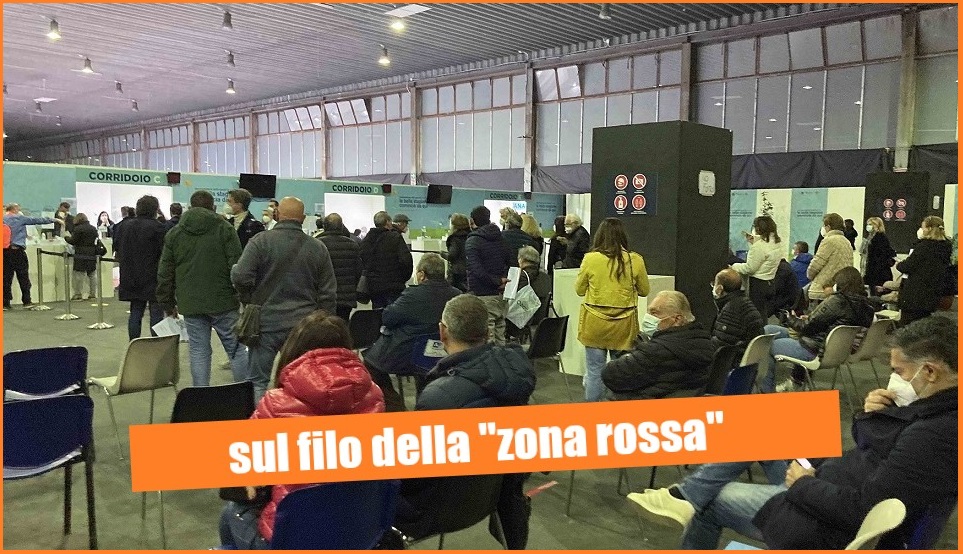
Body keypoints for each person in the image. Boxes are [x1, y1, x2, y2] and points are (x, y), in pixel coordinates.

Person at [628, 315, 958, 550]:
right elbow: (873, 450)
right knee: (766, 427)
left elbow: (864, 508)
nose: (895, 379)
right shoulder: (936, 407)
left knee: (713, 500)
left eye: (900, 372)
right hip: (828, 481)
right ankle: (685, 496)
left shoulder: (934, 435)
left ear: (929, 372)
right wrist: (875, 414)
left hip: (823, 516)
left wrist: (804, 484)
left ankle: (688, 499)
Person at [218, 311, 384, 550]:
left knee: (231, 512)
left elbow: (243, 463)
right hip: (358, 529)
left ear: (294, 348)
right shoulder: (375, 395)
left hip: (293, 538)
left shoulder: (276, 403)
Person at [395, 294, 535, 550]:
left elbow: (414, 475)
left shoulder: (438, 398)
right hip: (492, 498)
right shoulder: (516, 376)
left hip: (437, 509)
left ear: (442, 332)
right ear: (487, 331)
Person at [232, 197, 337, 402]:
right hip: (303, 327)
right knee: (301, 379)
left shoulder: (260, 241)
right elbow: (328, 293)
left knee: (258, 381)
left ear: (277, 214)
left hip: (265, 323)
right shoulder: (318, 247)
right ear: (303, 218)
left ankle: (261, 419)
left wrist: (249, 299)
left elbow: (241, 276)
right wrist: (322, 326)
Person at [157, 190, 248, 387]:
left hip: (190, 303)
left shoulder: (175, 233)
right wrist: (243, 296)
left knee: (199, 350)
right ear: (213, 207)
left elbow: (165, 271)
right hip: (224, 301)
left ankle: (201, 394)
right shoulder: (225, 229)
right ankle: (244, 393)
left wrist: (167, 302)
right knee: (236, 348)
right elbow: (237, 266)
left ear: (190, 207)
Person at [363, 254, 461, 412]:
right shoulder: (457, 295)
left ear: (421, 275)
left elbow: (388, 317)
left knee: (371, 364)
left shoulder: (412, 295)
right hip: (445, 353)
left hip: (408, 354)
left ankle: (397, 408)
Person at [575, 218, 651, 401]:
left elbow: (579, 290)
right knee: (621, 372)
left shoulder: (590, 259)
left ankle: (593, 413)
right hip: (623, 327)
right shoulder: (635, 260)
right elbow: (644, 291)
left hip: (594, 324)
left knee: (594, 372)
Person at [764, 266, 874, 392]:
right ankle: (796, 382)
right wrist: (809, 319)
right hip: (834, 351)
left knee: (765, 346)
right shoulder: (867, 307)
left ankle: (765, 392)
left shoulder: (837, 301)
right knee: (769, 329)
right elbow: (829, 324)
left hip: (814, 349)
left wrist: (790, 318)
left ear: (840, 285)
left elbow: (806, 327)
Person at [602, 291, 715, 400]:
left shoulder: (657, 350)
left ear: (677, 319)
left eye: (654, 313)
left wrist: (632, 353)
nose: (648, 317)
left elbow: (611, 375)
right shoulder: (703, 343)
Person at [115, 196, 169, 341]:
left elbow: (118, 248)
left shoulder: (124, 226)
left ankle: (133, 343)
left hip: (130, 274)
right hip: (153, 275)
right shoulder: (159, 228)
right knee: (156, 314)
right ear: (155, 209)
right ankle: (156, 345)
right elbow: (163, 253)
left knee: (135, 311)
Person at [465, 205, 513, 346]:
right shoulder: (502, 238)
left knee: (487, 337)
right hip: (501, 295)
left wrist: (497, 281)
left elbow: (476, 270)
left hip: (482, 293)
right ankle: (503, 359)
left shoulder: (473, 241)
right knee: (500, 334)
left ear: (472, 220)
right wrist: (503, 281)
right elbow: (512, 263)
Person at [896, 216, 952, 326]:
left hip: (915, 293)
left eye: (923, 227)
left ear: (929, 229)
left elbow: (907, 266)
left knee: (907, 324)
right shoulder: (946, 247)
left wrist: (899, 264)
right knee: (923, 325)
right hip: (932, 293)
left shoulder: (924, 246)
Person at [3, 203, 55, 310]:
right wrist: (54, 220)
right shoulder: (20, 218)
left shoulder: (3, 219)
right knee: (23, 277)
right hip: (18, 251)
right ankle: (27, 301)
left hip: (5, 252)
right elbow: (37, 220)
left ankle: (5, 303)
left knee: (6, 278)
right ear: (14, 209)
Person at [731, 216, 783, 318]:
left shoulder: (759, 246)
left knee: (756, 315)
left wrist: (734, 266)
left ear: (758, 228)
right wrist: (754, 243)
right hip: (770, 282)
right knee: (763, 314)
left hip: (758, 285)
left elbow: (750, 269)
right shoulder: (776, 242)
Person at [359, 211, 413, 309]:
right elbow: (406, 260)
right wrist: (403, 278)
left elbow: (362, 260)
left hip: (374, 286)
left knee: (378, 313)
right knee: (394, 313)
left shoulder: (367, 240)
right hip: (393, 285)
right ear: (387, 222)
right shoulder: (395, 237)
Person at [316, 213, 361, 322]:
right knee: (343, 326)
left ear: (325, 226)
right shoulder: (352, 245)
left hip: (324, 296)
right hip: (346, 297)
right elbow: (358, 271)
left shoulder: (318, 244)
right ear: (341, 226)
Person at [506, 245, 552, 342]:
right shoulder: (545, 277)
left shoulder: (521, 276)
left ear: (522, 260)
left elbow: (511, 297)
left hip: (520, 319)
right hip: (539, 316)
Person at [710, 268, 764, 349]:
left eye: (714, 284)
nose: (713, 287)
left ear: (720, 288)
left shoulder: (730, 311)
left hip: (735, 355)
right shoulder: (746, 302)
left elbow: (721, 346)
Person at [807, 213, 854, 301]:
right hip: (840, 288)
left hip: (823, 289)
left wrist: (810, 275)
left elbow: (816, 264)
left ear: (828, 226)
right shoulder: (846, 241)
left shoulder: (829, 241)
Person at [63, 212, 100, 301]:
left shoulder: (78, 229)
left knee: (79, 274)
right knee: (92, 274)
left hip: (81, 253)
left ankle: (78, 294)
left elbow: (73, 241)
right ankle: (92, 294)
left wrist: (66, 237)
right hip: (92, 253)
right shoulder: (93, 228)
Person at [860, 216, 895, 291]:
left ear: (876, 226)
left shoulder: (880, 238)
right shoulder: (870, 237)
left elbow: (880, 257)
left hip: (878, 273)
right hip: (872, 271)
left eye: (870, 224)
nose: (868, 226)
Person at [443, 213, 470, 292]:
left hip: (457, 273)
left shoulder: (455, 238)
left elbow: (452, 256)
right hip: (469, 271)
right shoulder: (471, 236)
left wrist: (442, 254)